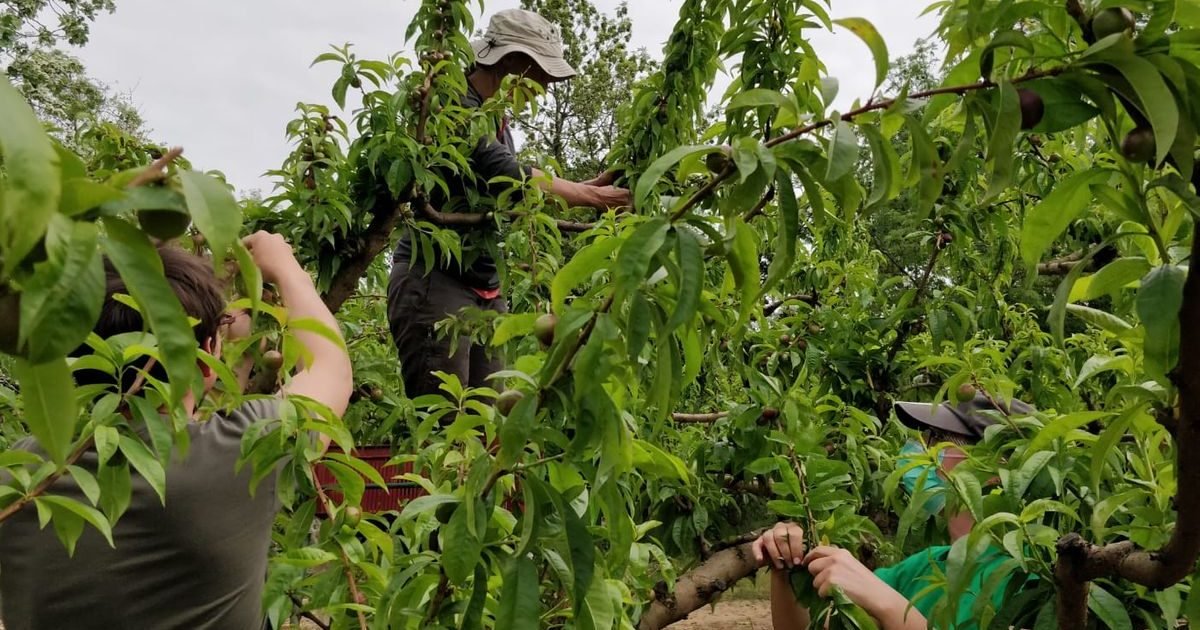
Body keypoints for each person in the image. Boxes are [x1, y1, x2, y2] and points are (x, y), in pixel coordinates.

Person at [0, 231, 353, 630]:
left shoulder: (18, 477)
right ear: (206, 361)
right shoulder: (245, 450)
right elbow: (331, 368)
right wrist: (286, 268)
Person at [388, 8, 632, 399]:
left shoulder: (496, 118)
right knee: (445, 422)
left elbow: (512, 190)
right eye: (542, 75)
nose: (546, 87)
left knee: (487, 423)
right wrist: (595, 197)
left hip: (485, 288)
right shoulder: (456, 106)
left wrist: (584, 188)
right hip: (435, 280)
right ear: (514, 64)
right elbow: (505, 170)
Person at [754, 393, 1034, 630]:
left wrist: (888, 605)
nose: (924, 449)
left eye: (940, 439)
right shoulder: (924, 567)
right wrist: (786, 568)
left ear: (999, 467)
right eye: (927, 437)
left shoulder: (1033, 580)